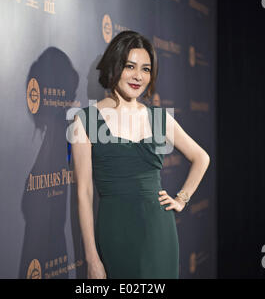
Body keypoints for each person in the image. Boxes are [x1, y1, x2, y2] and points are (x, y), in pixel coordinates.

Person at [68, 30, 210, 279]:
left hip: (159, 233)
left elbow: (201, 157)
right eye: (130, 66)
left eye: (146, 69)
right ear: (114, 66)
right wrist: (92, 258)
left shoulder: (160, 118)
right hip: (115, 233)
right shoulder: (85, 121)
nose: (138, 76)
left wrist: (182, 199)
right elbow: (84, 193)